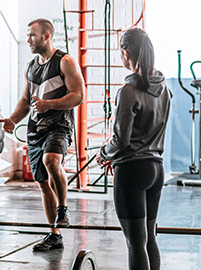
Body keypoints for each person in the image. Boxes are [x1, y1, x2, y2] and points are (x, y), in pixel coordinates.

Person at [0, 18, 85, 251]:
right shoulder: (31, 66)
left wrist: (50, 105)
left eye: (32, 35)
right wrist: (12, 119)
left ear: (46, 36)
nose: (28, 39)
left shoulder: (65, 62)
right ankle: (54, 234)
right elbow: (26, 101)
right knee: (42, 183)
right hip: (35, 130)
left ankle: (63, 207)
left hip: (59, 125)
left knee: (51, 160)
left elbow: (78, 95)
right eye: (28, 35)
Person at [96, 28, 171, 270]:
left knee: (135, 244)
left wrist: (103, 154)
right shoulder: (165, 90)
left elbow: (121, 141)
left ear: (125, 52)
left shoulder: (128, 92)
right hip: (156, 170)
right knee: (149, 239)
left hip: (132, 172)